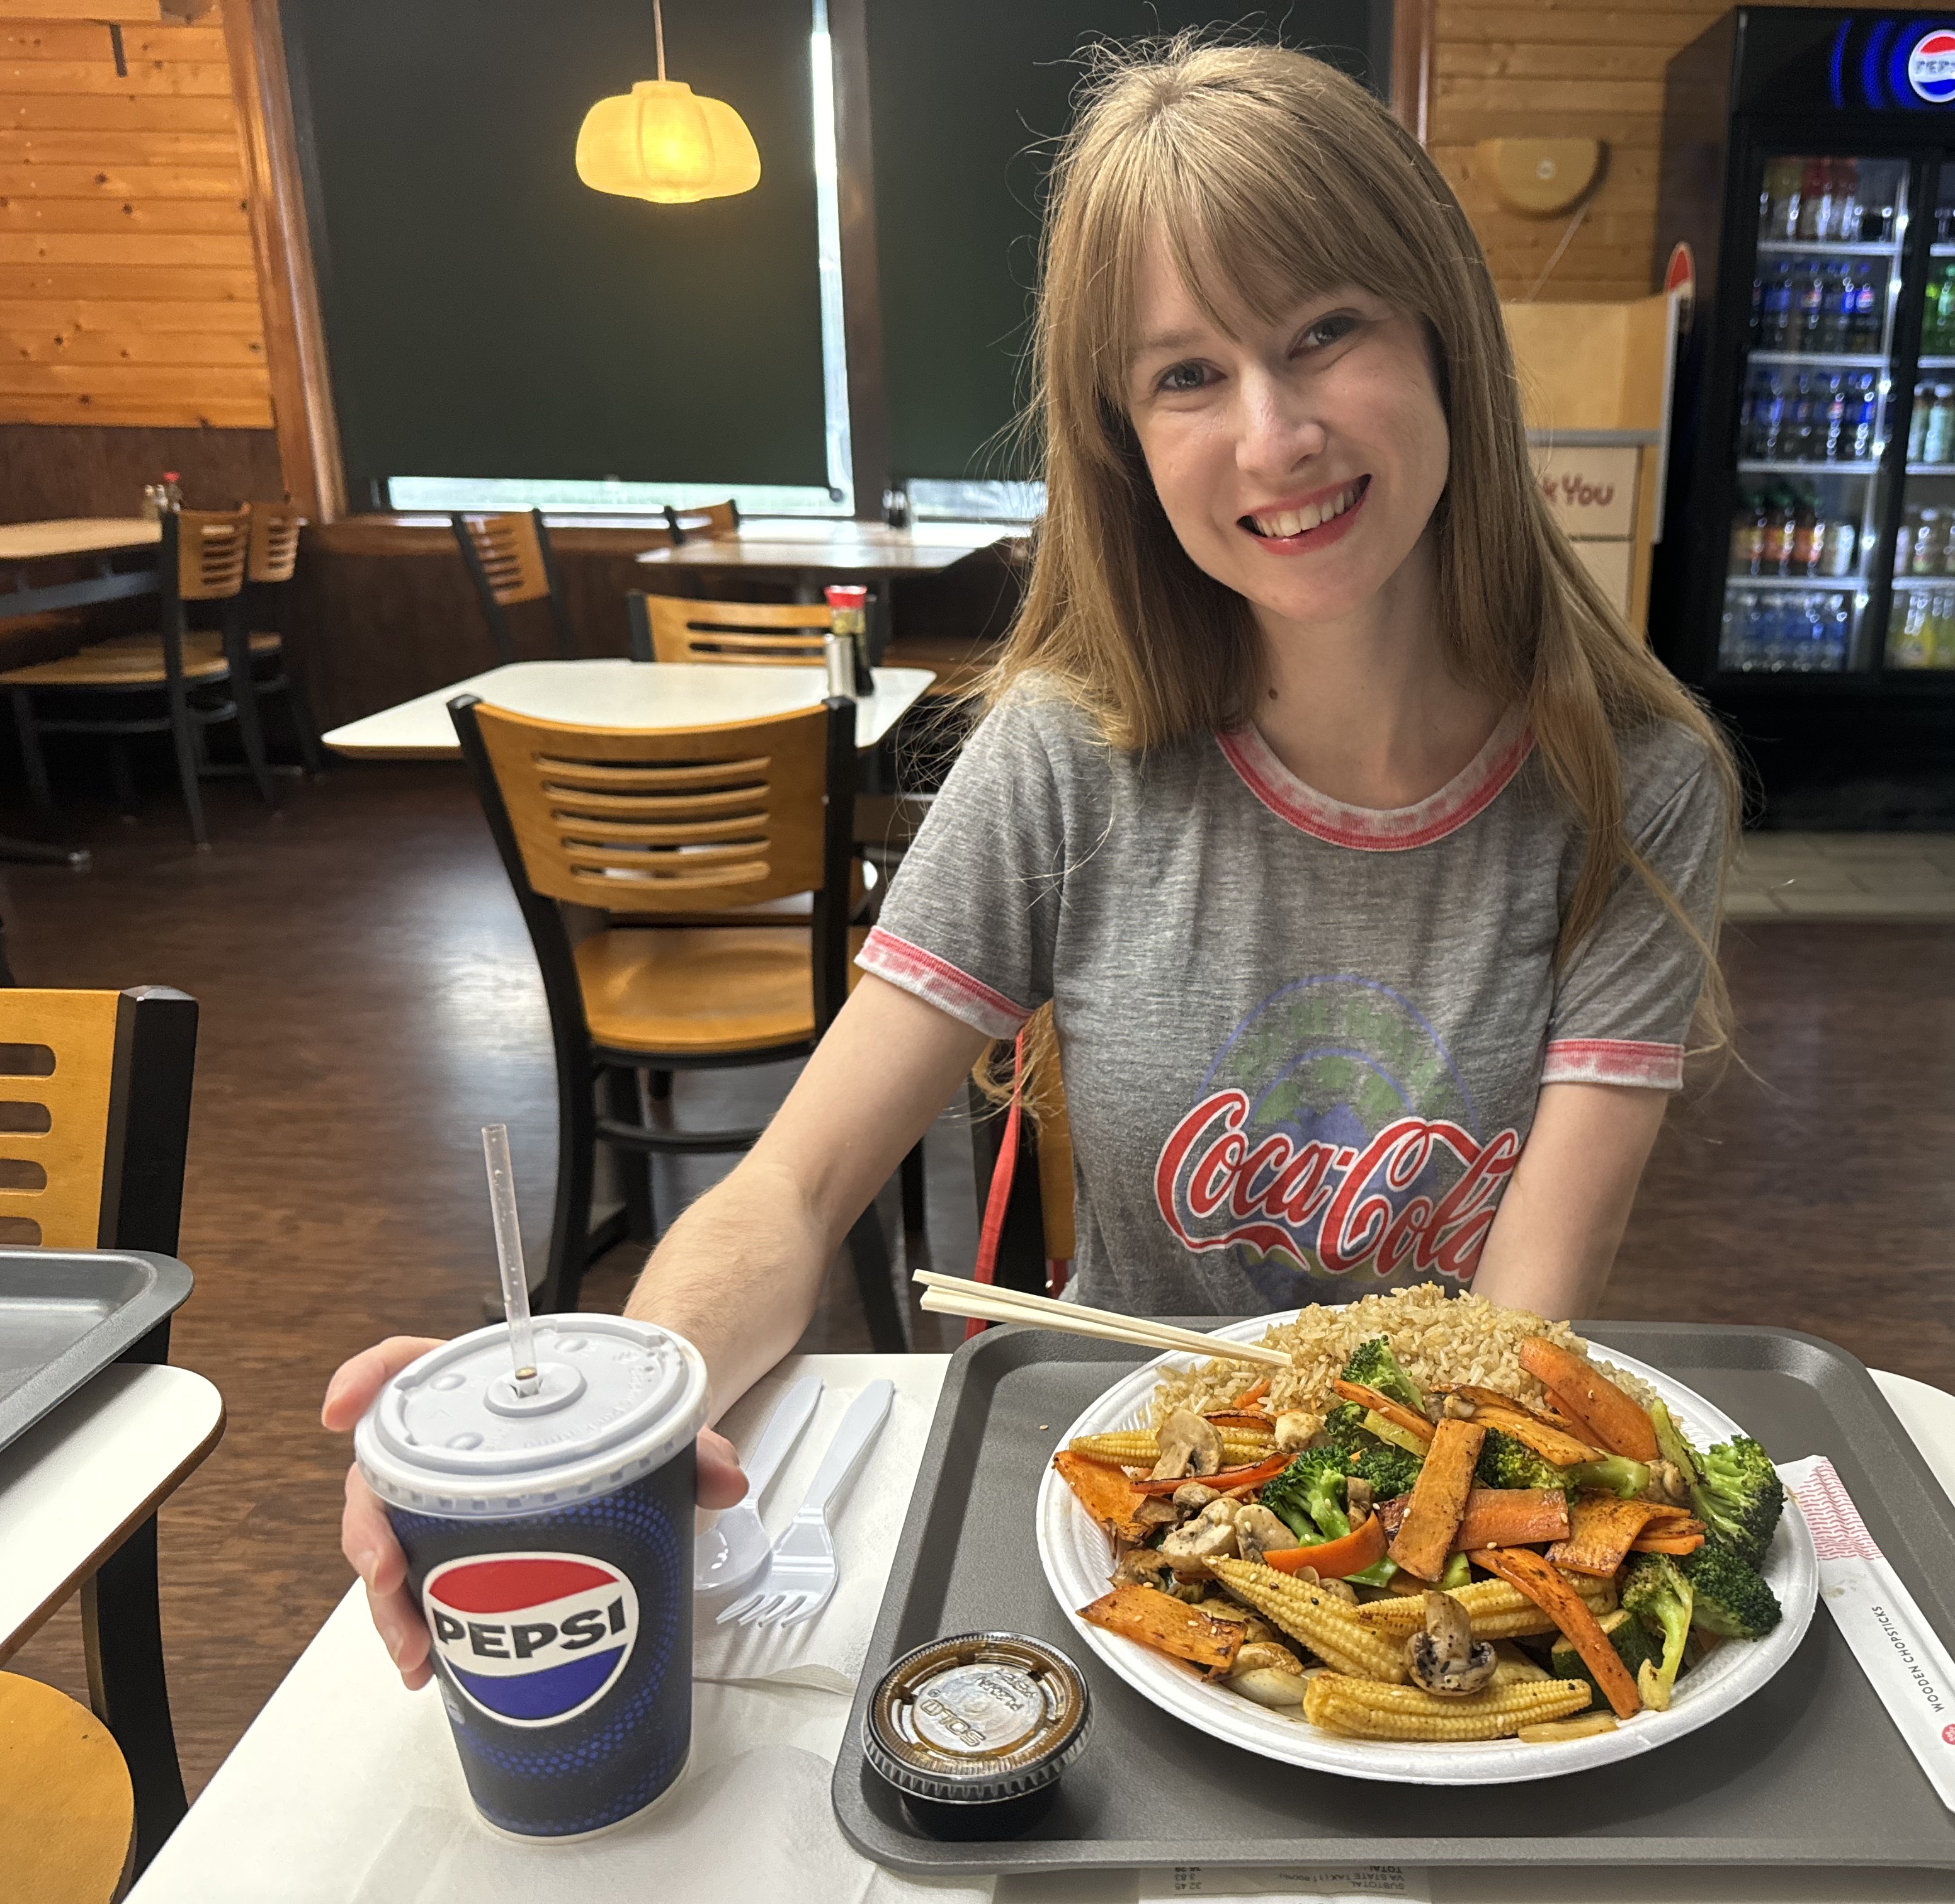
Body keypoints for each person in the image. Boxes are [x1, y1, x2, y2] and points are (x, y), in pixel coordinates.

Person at [322, 40, 1738, 1687]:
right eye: (1186, 375)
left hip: (1425, 1557)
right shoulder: (1066, 753)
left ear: (1444, 338)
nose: (1274, 435)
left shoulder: (1637, 788)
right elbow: (793, 1188)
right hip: (1114, 1526)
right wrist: (601, 1423)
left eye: (1324, 331)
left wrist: (1346, 1634)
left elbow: (1516, 1334)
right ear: (1121, 437)